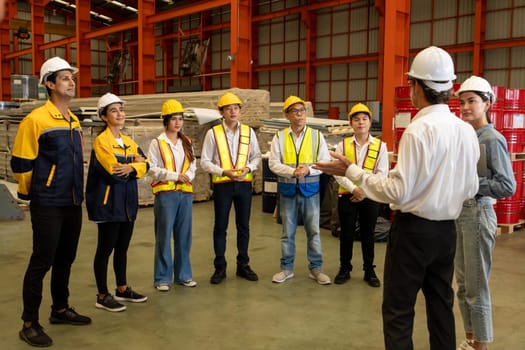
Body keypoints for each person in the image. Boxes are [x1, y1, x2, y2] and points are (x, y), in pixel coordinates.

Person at [314, 46, 480, 349]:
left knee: (398, 310)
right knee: (441, 305)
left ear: (417, 86)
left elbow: (397, 191)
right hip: (447, 232)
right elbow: (470, 189)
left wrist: (351, 171)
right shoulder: (465, 131)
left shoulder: (419, 130)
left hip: (414, 232)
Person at [11, 57, 91, 347]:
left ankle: (60, 308)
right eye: (66, 78)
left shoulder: (73, 120)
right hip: (47, 202)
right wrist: (28, 195)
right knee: (42, 260)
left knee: (66, 258)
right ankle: (29, 322)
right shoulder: (35, 120)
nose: (72, 82)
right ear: (50, 84)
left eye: (72, 77)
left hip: (71, 200)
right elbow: (21, 162)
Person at [454, 76, 516, 350]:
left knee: (476, 288)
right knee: (465, 285)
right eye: (462, 102)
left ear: (487, 103)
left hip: (478, 214)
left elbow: (507, 185)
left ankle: (481, 346)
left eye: (472, 101)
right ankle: (470, 340)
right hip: (461, 214)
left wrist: (471, 184)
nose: (466, 107)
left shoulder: (492, 139)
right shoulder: (469, 136)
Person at [86, 93, 149, 312]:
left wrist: (132, 166)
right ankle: (102, 295)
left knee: (122, 248)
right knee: (105, 249)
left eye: (121, 110)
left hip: (127, 203)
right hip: (108, 204)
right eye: (113, 110)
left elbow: (146, 164)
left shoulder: (129, 142)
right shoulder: (102, 142)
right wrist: (132, 164)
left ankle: (122, 289)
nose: (120, 114)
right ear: (103, 116)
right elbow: (113, 172)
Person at [269, 95, 332, 285]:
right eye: (295, 111)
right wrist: (292, 171)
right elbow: (273, 163)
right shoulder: (279, 137)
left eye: (302, 111)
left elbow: (325, 161)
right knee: (287, 233)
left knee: (314, 231)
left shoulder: (316, 135)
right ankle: (286, 269)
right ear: (287, 115)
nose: (299, 115)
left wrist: (308, 169)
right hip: (288, 190)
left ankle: (316, 268)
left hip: (310, 190)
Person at [200, 92, 261, 284]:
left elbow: (257, 157)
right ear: (221, 112)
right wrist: (223, 171)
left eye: (236, 108)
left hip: (244, 184)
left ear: (240, 111)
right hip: (223, 185)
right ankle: (220, 267)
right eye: (228, 108)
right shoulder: (213, 133)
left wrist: (248, 168)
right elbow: (205, 161)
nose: (233, 111)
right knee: (220, 227)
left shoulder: (249, 132)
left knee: (244, 226)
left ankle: (243, 265)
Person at [333, 103, 389, 287]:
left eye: (364, 119)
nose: (360, 122)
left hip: (370, 197)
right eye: (356, 119)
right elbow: (337, 172)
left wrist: (365, 191)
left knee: (368, 233)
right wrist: (354, 189)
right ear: (351, 123)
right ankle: (344, 268)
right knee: (346, 233)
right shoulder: (342, 145)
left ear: (370, 122)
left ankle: (369, 269)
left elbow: (382, 173)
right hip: (347, 195)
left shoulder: (380, 146)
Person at [148, 99, 197, 291]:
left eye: (180, 119)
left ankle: (183, 275)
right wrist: (176, 176)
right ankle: (162, 278)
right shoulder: (157, 143)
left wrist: (188, 177)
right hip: (166, 194)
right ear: (166, 121)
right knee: (164, 236)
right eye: (174, 119)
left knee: (184, 236)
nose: (178, 123)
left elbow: (193, 164)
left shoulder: (187, 142)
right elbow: (152, 168)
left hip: (185, 194)